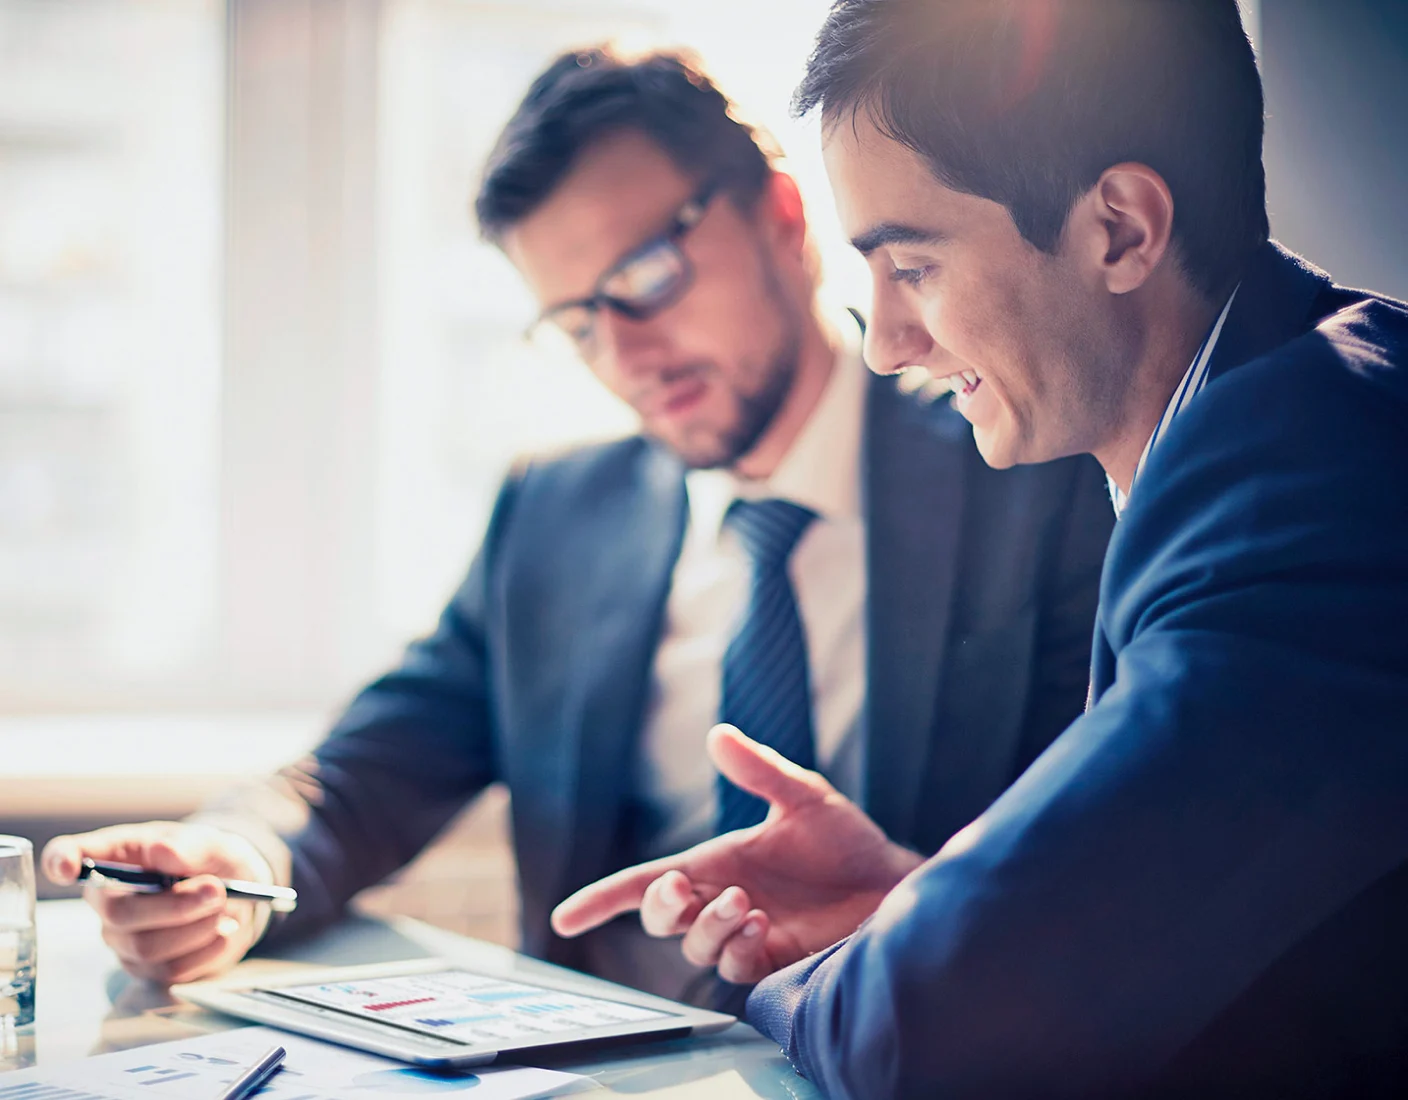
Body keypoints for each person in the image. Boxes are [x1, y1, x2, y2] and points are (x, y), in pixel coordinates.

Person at [41, 48, 1112, 1006]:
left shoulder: (1024, 468)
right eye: (577, 322)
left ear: (782, 218)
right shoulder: (556, 515)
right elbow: (359, 776)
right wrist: (223, 864)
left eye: (643, 278)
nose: (626, 353)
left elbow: (1096, 871)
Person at [550, 2, 1408, 1094]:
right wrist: (910, 902)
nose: (887, 339)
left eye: (911, 266)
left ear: (1120, 231)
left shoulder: (1304, 497)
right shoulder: (1286, 413)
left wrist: (888, 957)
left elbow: (922, 1026)